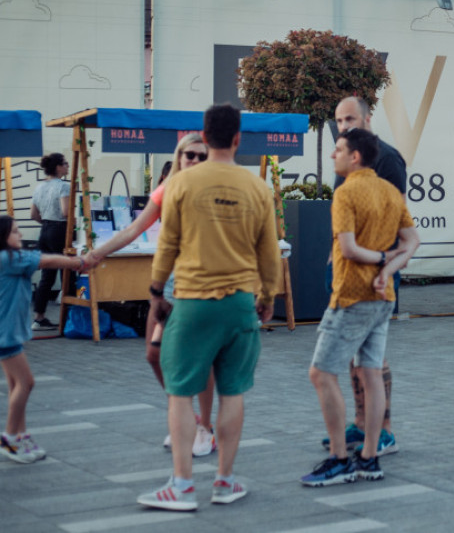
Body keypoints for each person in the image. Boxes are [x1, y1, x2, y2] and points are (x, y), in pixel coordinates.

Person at [137, 104, 281, 512]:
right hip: (239, 304)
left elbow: (167, 244)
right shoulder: (257, 188)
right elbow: (269, 251)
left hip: (193, 302)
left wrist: (156, 291)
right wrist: (268, 296)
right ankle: (224, 481)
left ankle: (182, 486)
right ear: (238, 139)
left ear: (205, 135)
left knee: (180, 392)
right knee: (232, 392)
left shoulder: (181, 183)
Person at [84, 134, 217, 457]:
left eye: (202, 156)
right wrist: (97, 254)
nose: (195, 161)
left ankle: (205, 427)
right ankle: (185, 416)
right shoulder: (167, 190)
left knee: (200, 359)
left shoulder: (213, 190)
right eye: (190, 155)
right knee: (153, 355)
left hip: (200, 286)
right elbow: (134, 229)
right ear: (179, 156)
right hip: (167, 285)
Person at [302, 128, 419, 487]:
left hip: (352, 296)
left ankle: (340, 459)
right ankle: (368, 458)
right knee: (371, 374)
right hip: (382, 298)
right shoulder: (389, 191)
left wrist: (382, 260)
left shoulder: (346, 192)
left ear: (355, 157)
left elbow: (350, 249)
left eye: (338, 149)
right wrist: (387, 269)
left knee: (321, 374)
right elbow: (413, 241)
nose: (333, 155)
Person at [322, 96, 406, 457]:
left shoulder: (387, 159)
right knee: (355, 355)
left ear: (368, 119)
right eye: (339, 121)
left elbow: (399, 218)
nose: (343, 126)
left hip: (376, 274)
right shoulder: (346, 160)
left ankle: (384, 431)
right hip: (346, 271)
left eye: (350, 119)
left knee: (373, 359)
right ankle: (361, 424)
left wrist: (385, 264)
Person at [1, 216, 91, 463]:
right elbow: (47, 260)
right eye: (15, 231)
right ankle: (10, 437)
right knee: (26, 383)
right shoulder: (10, 258)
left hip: (8, 333)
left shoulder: (9, 259)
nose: (20, 235)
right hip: (6, 336)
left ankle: (21, 436)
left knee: (16, 385)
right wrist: (79, 262)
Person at [29, 152, 70, 331]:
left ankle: (39, 318)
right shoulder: (64, 186)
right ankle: (69, 318)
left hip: (44, 230)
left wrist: (46, 223)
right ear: (58, 167)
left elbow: (33, 214)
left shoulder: (39, 187)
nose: (68, 166)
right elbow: (66, 212)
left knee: (47, 276)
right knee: (68, 273)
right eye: (65, 163)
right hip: (60, 230)